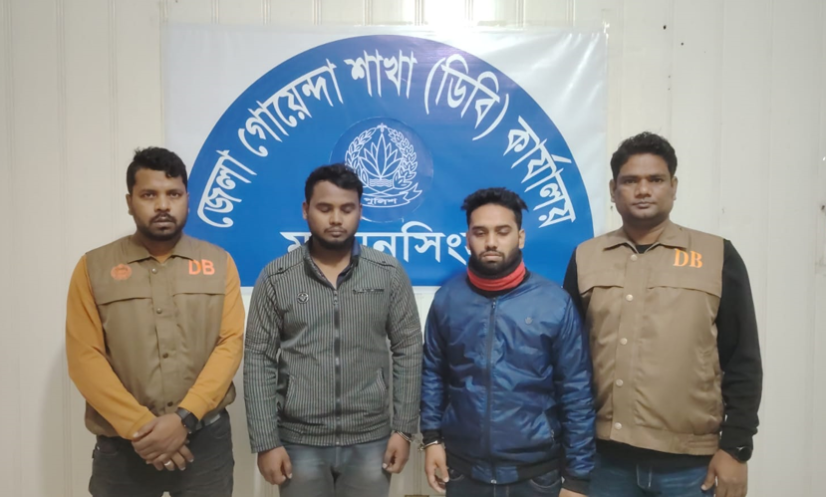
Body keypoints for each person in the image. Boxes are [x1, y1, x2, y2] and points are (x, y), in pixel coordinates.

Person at [563, 132, 763, 497]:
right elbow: (568, 362)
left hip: (690, 467)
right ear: (613, 190)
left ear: (673, 186)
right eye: (630, 181)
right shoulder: (585, 258)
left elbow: (742, 359)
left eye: (655, 180)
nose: (643, 190)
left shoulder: (716, 256)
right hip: (604, 463)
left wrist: (736, 448)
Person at [66, 147, 245, 497]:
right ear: (130, 202)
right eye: (149, 195)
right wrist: (143, 428)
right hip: (123, 448)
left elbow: (230, 344)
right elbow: (85, 357)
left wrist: (184, 419)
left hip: (205, 444)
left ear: (187, 200)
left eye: (173, 194)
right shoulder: (93, 268)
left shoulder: (219, 263)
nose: (163, 205)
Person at [244, 164, 423, 497]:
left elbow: (409, 348)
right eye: (325, 208)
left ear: (360, 211)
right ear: (306, 210)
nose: (336, 219)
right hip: (299, 442)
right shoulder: (277, 277)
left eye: (347, 209)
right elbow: (258, 359)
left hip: (371, 440)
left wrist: (403, 430)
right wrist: (266, 442)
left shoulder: (387, 273)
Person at [420, 187, 595, 497]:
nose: (491, 242)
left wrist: (577, 479)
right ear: (467, 238)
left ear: (521, 237)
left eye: (502, 232)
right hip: (463, 472)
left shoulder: (554, 303)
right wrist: (431, 439)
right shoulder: (448, 300)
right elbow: (433, 375)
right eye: (480, 232)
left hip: (536, 476)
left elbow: (576, 391)